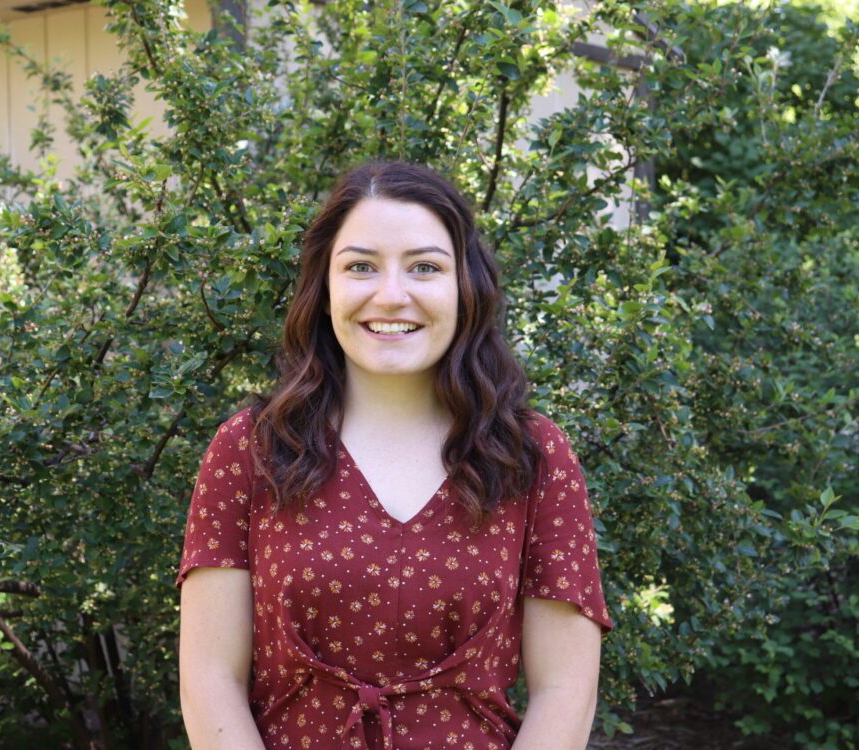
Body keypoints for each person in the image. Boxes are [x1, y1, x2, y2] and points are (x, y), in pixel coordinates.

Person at [177, 161, 611, 750]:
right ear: (323, 285)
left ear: (465, 287)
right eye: (360, 266)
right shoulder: (249, 450)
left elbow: (565, 688)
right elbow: (209, 679)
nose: (391, 295)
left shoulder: (532, 455)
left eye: (425, 268)